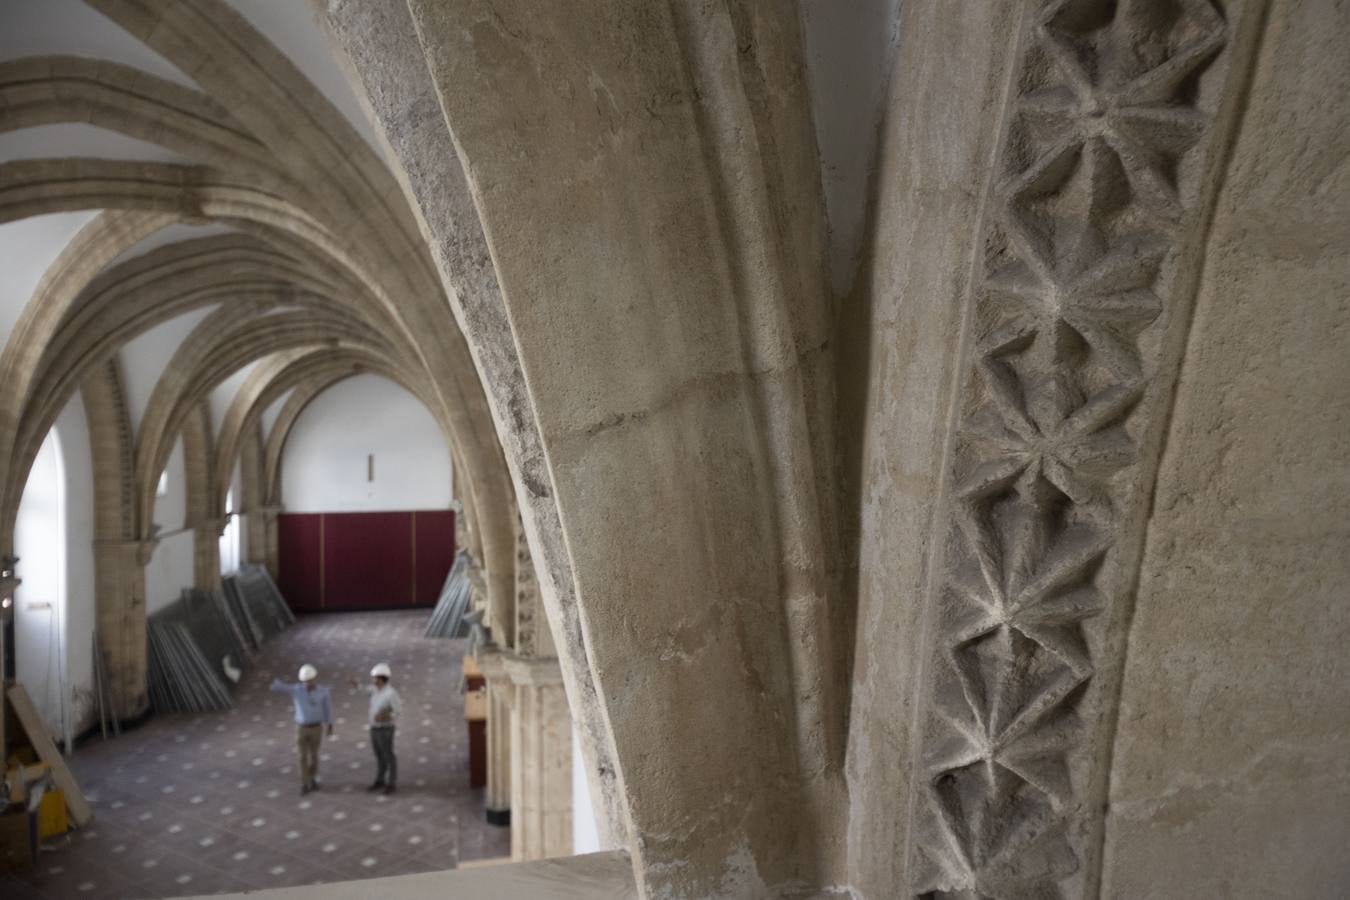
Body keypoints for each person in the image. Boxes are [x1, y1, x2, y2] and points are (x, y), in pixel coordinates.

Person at [270, 664, 333, 795]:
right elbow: (280, 687)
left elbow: (328, 708)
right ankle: (305, 782)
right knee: (302, 756)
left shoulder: (323, 691)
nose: (308, 683)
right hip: (301, 729)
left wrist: (330, 724)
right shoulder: (296, 690)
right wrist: (270, 677)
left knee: (314, 755)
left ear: (314, 678)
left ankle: (312, 778)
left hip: (316, 728)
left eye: (310, 680)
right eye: (305, 681)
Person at [350, 663, 401, 794]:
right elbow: (363, 690)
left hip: (386, 729)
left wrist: (385, 716)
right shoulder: (374, 689)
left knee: (388, 755)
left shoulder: (391, 693)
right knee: (379, 755)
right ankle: (380, 779)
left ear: (382, 678)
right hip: (374, 728)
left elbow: (397, 712)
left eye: (375, 678)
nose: (373, 680)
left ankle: (391, 783)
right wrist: (356, 685)